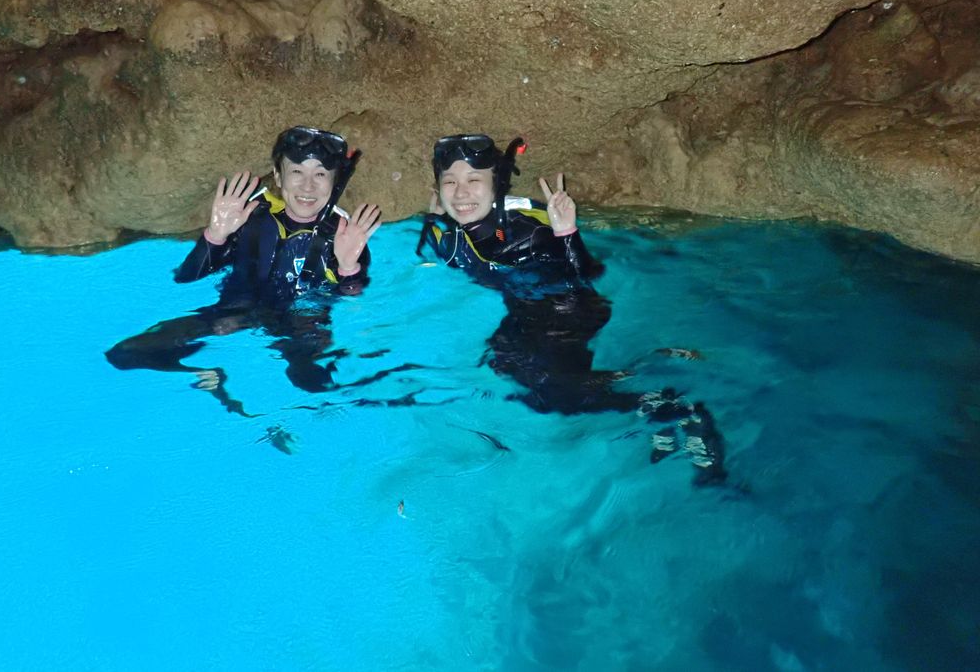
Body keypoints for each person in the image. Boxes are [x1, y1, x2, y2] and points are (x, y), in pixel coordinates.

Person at [418, 133, 726, 485]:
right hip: (523, 316)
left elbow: (586, 275)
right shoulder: (449, 232)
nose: (461, 193)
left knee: (558, 395)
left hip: (568, 312)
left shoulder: (529, 228)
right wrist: (435, 219)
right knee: (523, 383)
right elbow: (438, 252)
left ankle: (668, 403)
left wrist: (567, 233)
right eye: (450, 182)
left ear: (497, 183)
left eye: (474, 180)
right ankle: (650, 395)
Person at [106, 126, 383, 412]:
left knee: (311, 383)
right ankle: (205, 375)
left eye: (320, 175)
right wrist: (215, 236)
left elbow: (352, 300)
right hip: (233, 312)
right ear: (278, 176)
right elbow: (186, 278)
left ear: (334, 181)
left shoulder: (345, 236)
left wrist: (349, 267)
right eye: (297, 172)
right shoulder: (251, 216)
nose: (308, 187)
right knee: (125, 354)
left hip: (302, 325)